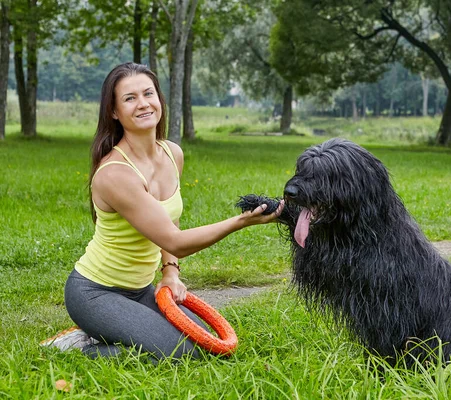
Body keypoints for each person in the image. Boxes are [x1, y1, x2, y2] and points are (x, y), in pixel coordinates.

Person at [41, 62, 283, 360]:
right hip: (95, 292)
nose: (142, 104)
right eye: (130, 98)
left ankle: (112, 330)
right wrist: (240, 222)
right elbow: (174, 240)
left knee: (205, 347)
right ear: (114, 112)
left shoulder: (172, 153)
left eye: (148, 94)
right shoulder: (116, 174)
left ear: (159, 100)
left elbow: (170, 221)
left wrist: (170, 272)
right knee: (180, 354)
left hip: (141, 290)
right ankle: (80, 345)